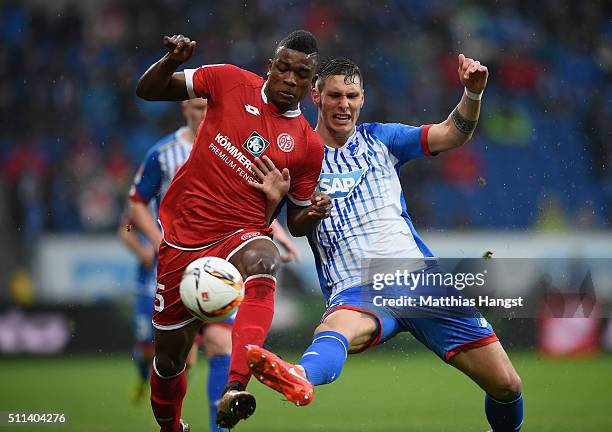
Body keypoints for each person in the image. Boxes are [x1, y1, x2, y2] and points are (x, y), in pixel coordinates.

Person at [247, 57, 524, 432]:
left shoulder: (382, 138)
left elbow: (452, 133)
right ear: (316, 95)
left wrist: (472, 92)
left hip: (419, 280)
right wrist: (284, 203)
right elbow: (275, 224)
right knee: (336, 330)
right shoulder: (295, 158)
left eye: (352, 95)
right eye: (334, 95)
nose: (344, 104)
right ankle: (299, 376)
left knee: (507, 385)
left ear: (362, 99)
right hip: (357, 284)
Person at [135, 30, 329, 431]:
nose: (291, 79)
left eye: (302, 74)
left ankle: (234, 387)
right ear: (270, 67)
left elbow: (294, 222)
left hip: (238, 237)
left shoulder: (309, 146)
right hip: (180, 239)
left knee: (265, 258)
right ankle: (171, 427)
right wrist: (172, 60)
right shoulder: (228, 80)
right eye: (285, 68)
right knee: (169, 360)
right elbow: (148, 90)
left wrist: (312, 212)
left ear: (312, 85)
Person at [125, 97, 301, 431]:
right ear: (184, 110)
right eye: (195, 108)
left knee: (222, 342)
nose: (202, 114)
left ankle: (218, 426)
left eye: (207, 108)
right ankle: (169, 417)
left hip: (219, 268)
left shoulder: (231, 148)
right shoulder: (162, 154)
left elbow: (247, 200)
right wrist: (161, 244)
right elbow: (135, 207)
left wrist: (275, 232)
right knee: (175, 358)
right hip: (175, 264)